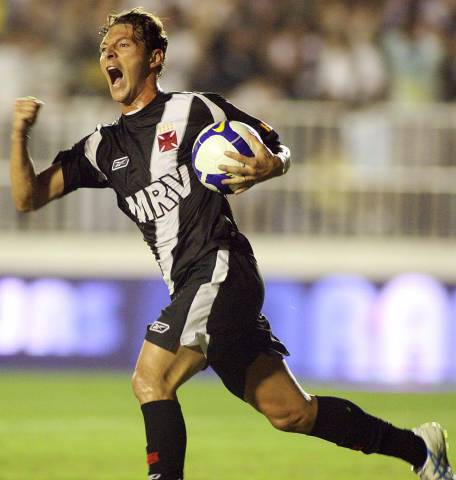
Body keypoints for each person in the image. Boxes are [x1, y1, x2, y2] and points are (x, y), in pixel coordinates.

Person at [9, 7, 455, 480]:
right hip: (193, 286)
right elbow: (28, 197)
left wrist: (274, 165)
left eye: (122, 45)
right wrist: (20, 134)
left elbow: (274, 143)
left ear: (155, 57)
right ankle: (420, 450)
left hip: (221, 268)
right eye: (105, 50)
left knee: (150, 378)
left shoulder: (196, 110)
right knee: (291, 412)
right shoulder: (102, 148)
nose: (109, 56)